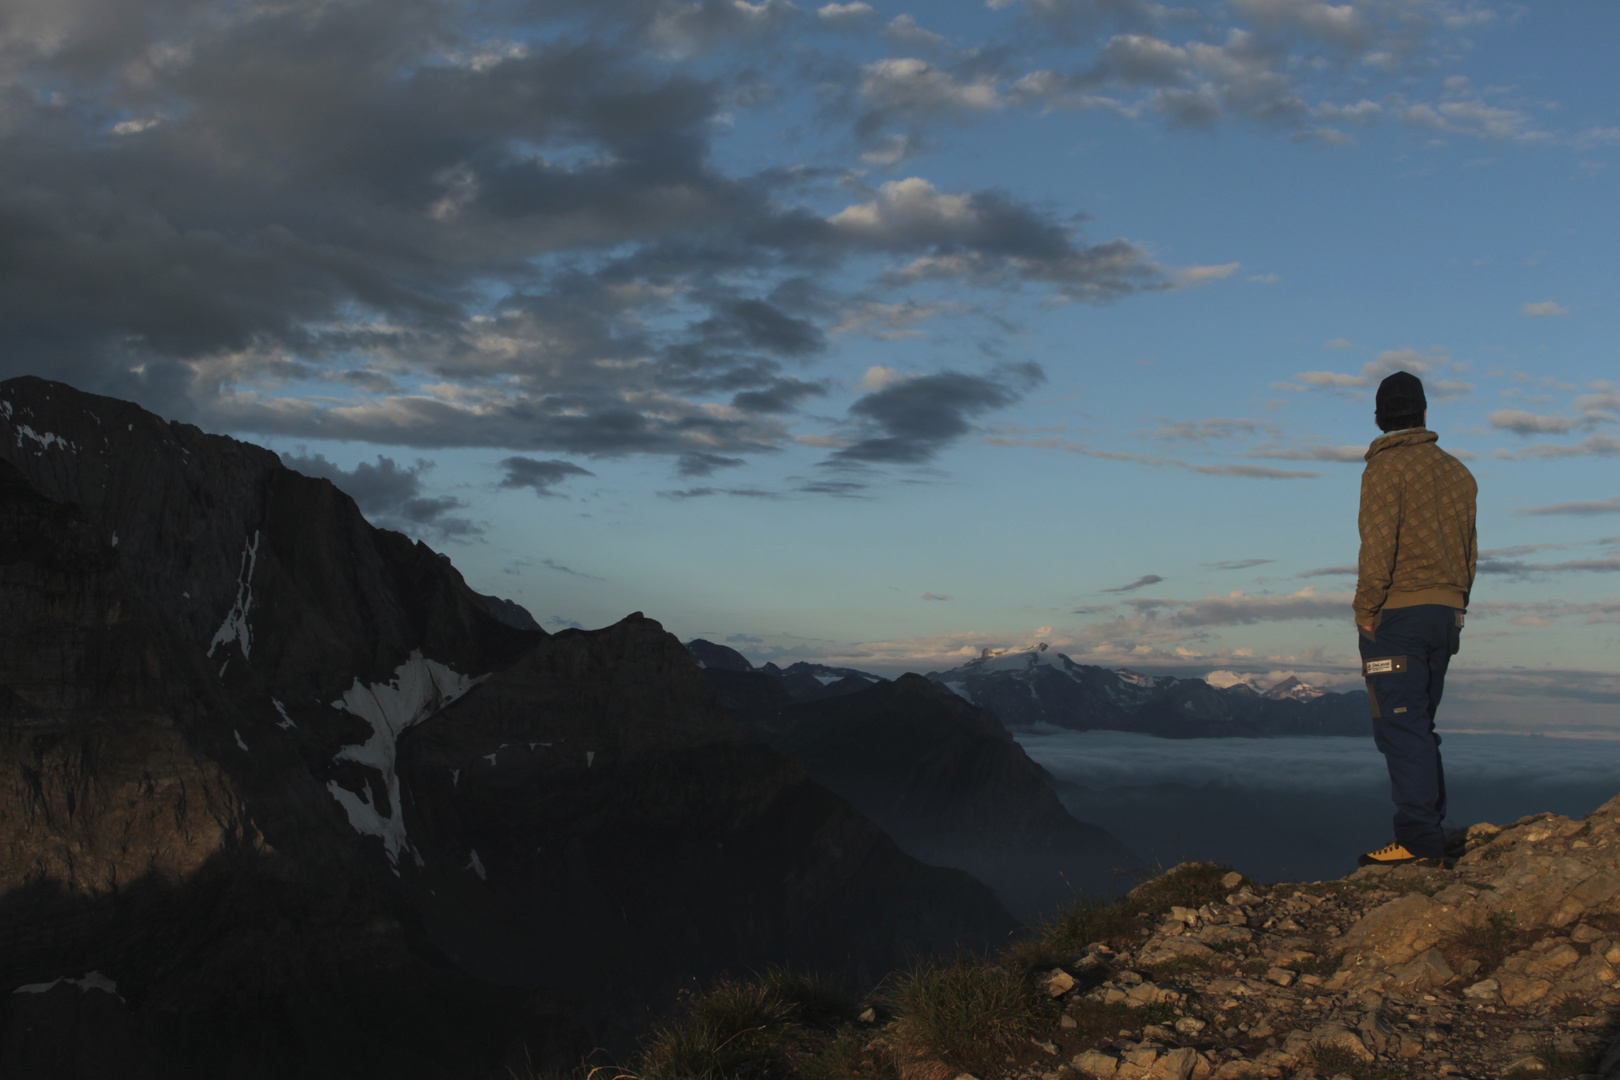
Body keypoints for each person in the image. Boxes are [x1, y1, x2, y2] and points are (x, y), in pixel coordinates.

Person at [1353, 371, 1477, 868]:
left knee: (1400, 729)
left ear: (1381, 419)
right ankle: (1427, 832)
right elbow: (1469, 552)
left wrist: (1366, 609)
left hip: (1399, 614)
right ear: (1425, 414)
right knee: (1420, 726)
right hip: (1446, 614)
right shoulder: (1458, 472)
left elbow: (1378, 545)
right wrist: (1457, 601)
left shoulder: (1385, 469)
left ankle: (1419, 843)